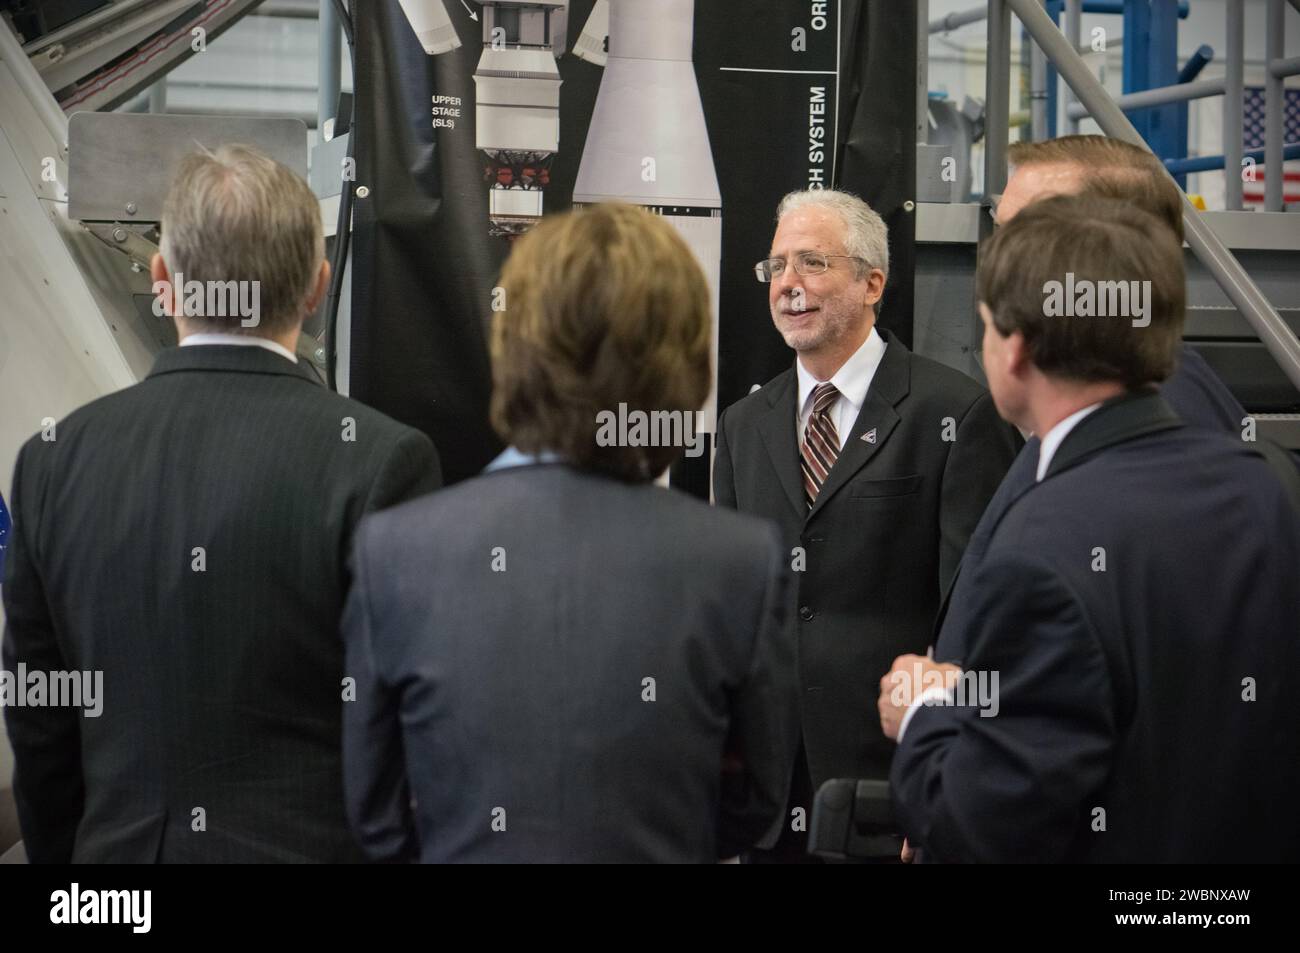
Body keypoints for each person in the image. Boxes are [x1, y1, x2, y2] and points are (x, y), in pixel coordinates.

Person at [2, 144, 440, 863]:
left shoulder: (55, 461)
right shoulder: (381, 462)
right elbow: (406, 732)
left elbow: (40, 721)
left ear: (163, 278)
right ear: (318, 285)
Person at [342, 203, 800, 863]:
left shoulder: (397, 552)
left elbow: (378, 815)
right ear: (685, 358)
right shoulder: (740, 563)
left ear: (514, 341)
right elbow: (753, 804)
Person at [881, 196, 1300, 862]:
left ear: (1014, 350)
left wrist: (926, 716)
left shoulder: (1039, 546)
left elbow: (981, 827)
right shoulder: (1266, 484)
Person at [713, 189, 1020, 860]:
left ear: (872, 281)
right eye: (777, 267)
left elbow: (976, 617)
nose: (788, 284)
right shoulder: (741, 425)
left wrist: (944, 777)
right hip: (766, 802)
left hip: (894, 791)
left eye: (812, 262)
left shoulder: (956, 415)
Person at [998, 135, 1247, 434]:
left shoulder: (1150, 420)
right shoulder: (1097, 387)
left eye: (1023, 237)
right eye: (1001, 233)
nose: (997, 258)